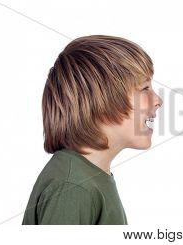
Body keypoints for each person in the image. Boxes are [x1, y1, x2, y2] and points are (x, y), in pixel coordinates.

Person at [22, 35, 162, 225]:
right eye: (145, 88)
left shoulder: (87, 178)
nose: (158, 101)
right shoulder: (72, 187)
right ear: (102, 103)